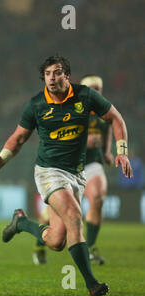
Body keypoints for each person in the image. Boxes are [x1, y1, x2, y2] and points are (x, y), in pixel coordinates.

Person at [0, 55, 133, 296]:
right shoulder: (36, 104)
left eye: (57, 72)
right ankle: (92, 283)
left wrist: (122, 152)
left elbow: (115, 118)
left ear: (67, 76)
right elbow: (19, 137)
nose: (52, 77)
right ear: (44, 77)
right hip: (49, 172)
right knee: (74, 216)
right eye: (48, 73)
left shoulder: (85, 96)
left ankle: (20, 222)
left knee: (56, 240)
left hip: (77, 173)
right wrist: (1, 158)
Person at [32, 74, 113, 266]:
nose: (95, 92)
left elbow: (109, 126)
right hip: (66, 167)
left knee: (98, 197)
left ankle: (91, 247)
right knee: (54, 222)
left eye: (98, 89)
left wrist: (107, 151)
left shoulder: (103, 113)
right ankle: (38, 243)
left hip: (92, 164)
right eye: (91, 88)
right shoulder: (71, 110)